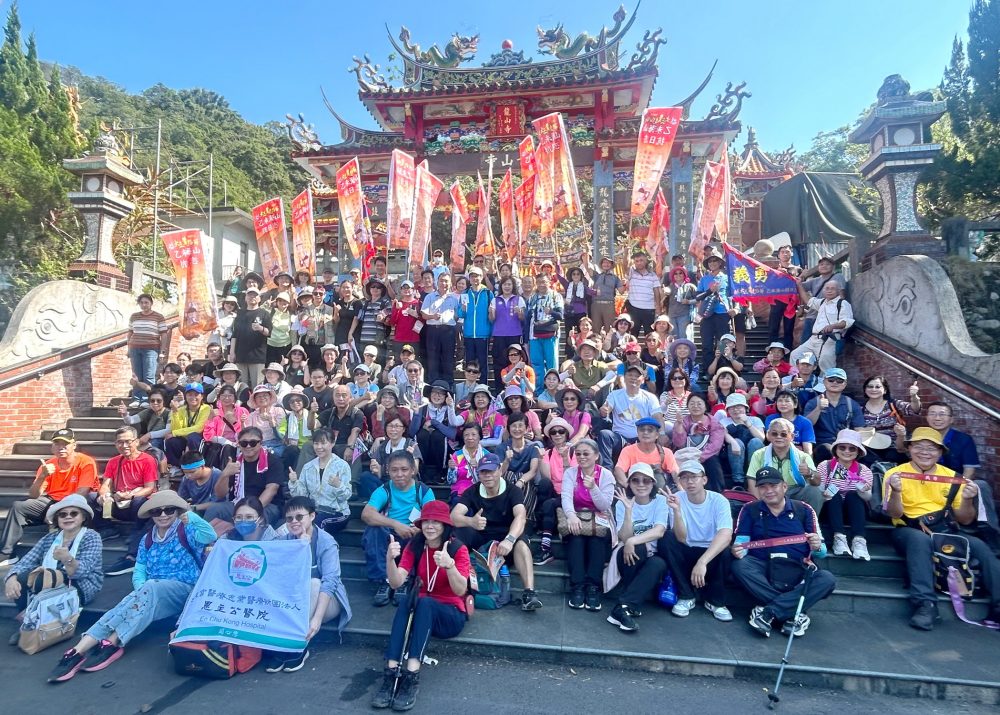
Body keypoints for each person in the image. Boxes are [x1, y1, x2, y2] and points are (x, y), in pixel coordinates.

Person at [46, 491, 217, 683]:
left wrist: (190, 516)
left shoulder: (187, 530)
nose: (163, 515)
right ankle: (78, 650)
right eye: (157, 511)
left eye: (169, 510)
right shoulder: (148, 539)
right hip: (152, 593)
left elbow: (210, 535)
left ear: (177, 511)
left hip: (184, 590)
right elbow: (140, 569)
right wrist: (140, 591)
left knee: (150, 588)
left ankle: (113, 641)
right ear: (151, 514)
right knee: (137, 596)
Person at [883, 427, 1000, 630]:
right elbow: (894, 513)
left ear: (940, 452)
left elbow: (965, 520)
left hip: (944, 529)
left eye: (931, 448)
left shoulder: (953, 476)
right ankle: (925, 604)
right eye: (918, 446)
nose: (925, 452)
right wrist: (895, 492)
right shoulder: (894, 474)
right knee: (919, 541)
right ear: (909, 449)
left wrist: (967, 499)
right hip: (908, 528)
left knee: (981, 547)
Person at [372, 500, 471, 712]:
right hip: (421, 614)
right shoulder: (416, 545)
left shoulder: (457, 548)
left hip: (450, 615)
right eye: (426, 521)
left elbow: (460, 590)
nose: (430, 526)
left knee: (425, 602)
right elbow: (396, 582)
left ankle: (411, 675)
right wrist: (390, 560)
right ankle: (391, 672)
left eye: (436, 522)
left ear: (445, 525)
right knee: (408, 600)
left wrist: (450, 566)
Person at [730, 467, 835, 638]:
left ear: (784, 487)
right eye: (763, 487)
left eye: (773, 485)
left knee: (827, 579)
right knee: (740, 566)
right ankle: (794, 612)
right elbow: (741, 545)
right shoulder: (750, 509)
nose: (768, 491)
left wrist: (817, 546)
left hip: (797, 567)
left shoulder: (804, 509)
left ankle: (769, 612)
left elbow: (821, 552)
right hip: (764, 567)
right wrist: (737, 550)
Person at [266, 497, 351, 673]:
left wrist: (317, 620)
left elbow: (330, 582)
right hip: (295, 603)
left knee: (313, 584)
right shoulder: (284, 541)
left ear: (312, 516)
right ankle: (284, 644)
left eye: (299, 517)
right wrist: (299, 548)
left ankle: (297, 646)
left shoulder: (326, 542)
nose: (294, 522)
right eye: (289, 518)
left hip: (325, 602)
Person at [4, 495, 103, 645]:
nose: (68, 517)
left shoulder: (91, 537)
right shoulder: (50, 538)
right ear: (58, 519)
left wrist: (67, 559)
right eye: (63, 514)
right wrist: (11, 578)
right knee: (22, 578)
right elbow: (25, 562)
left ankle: (36, 625)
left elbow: (82, 571)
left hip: (81, 584)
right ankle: (28, 624)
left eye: (74, 513)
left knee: (43, 579)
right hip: (48, 580)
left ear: (83, 517)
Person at [452, 453, 543, 612]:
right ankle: (455, 584)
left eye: (491, 471)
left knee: (522, 542)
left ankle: (529, 593)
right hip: (482, 540)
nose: (487, 475)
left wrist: (510, 539)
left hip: (506, 541)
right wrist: (471, 521)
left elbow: (521, 517)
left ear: (500, 470)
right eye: (483, 472)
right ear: (479, 474)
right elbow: (454, 516)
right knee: (459, 532)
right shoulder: (473, 491)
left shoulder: (513, 490)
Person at [0, 429, 99, 567]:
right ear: (52, 447)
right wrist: (42, 477)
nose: (61, 447)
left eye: (65, 444)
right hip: (52, 501)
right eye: (57, 444)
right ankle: (7, 553)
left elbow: (82, 492)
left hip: (78, 501)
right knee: (19, 506)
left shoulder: (85, 462)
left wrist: (59, 507)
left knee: (78, 504)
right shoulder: (48, 465)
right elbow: (34, 495)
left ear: (74, 445)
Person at [660, 460, 734, 621]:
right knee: (667, 538)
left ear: (704, 480)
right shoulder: (677, 498)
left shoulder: (719, 500)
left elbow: (726, 534)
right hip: (687, 549)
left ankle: (715, 601)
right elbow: (681, 537)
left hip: (710, 553)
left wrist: (702, 562)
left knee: (725, 549)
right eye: (684, 478)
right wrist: (677, 511)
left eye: (694, 477)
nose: (689, 482)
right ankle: (686, 595)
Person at [361, 451, 435, 607]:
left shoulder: (423, 491)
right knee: (373, 530)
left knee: (426, 535)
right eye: (394, 470)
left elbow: (433, 518)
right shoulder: (385, 489)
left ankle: (405, 580)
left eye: (404, 469)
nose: (399, 474)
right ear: (388, 471)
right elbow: (367, 514)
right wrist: (396, 524)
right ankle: (384, 580)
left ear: (413, 470)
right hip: (390, 535)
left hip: (413, 533)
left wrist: (420, 528)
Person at [605, 463, 671, 632]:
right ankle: (628, 604)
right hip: (628, 554)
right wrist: (628, 511)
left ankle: (623, 606)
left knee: (659, 564)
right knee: (638, 547)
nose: (641, 484)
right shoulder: (622, 503)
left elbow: (660, 530)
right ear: (629, 483)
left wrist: (632, 541)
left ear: (653, 483)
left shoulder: (660, 501)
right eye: (636, 480)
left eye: (646, 481)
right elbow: (624, 537)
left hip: (650, 554)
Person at [92, 426, 158, 576]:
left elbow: (149, 488)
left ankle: (136, 534)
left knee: (139, 500)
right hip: (119, 502)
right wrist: (104, 495)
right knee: (91, 497)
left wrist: (130, 496)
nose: (124, 445)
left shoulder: (147, 460)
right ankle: (107, 528)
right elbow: (105, 484)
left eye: (128, 441)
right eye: (120, 442)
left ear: (136, 442)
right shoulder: (114, 461)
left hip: (138, 505)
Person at [558, 439, 614, 611]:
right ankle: (577, 586)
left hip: (599, 518)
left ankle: (593, 587)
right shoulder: (571, 473)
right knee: (576, 539)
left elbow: (605, 505)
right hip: (577, 516)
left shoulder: (606, 475)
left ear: (596, 456)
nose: (581, 457)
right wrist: (571, 516)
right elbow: (566, 497)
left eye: (586, 454)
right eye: (578, 454)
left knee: (596, 541)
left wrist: (593, 488)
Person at [206, 427, 286, 525]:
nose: (248, 446)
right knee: (214, 509)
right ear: (239, 444)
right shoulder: (235, 462)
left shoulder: (273, 461)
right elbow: (220, 494)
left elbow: (271, 489)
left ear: (260, 443)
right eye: (244, 443)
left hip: (266, 505)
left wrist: (251, 510)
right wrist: (225, 474)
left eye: (253, 443)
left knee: (254, 518)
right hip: (239, 503)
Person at [816, 429, 873, 560]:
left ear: (858, 452)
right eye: (842, 447)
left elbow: (868, 497)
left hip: (854, 511)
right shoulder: (825, 466)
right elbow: (818, 491)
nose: (847, 451)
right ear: (836, 449)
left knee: (853, 496)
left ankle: (859, 540)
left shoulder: (864, 470)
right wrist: (824, 494)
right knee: (834, 495)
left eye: (852, 448)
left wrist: (863, 490)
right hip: (829, 509)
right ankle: (839, 538)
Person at [746, 418, 822, 513]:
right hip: (769, 490)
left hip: (795, 492)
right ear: (768, 435)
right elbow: (752, 481)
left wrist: (809, 472)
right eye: (774, 434)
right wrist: (759, 507)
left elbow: (817, 482)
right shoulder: (758, 455)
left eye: (783, 434)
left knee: (814, 491)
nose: (779, 437)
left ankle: (810, 521)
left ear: (792, 436)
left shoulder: (803, 456)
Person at [598, 365, 663, 470]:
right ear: (624, 378)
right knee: (605, 435)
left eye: (637, 376)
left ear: (643, 380)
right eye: (630, 375)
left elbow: (657, 416)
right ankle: (607, 471)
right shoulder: (615, 395)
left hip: (642, 437)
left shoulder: (650, 397)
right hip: (620, 437)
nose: (633, 378)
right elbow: (607, 407)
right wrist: (604, 411)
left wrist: (662, 433)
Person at [289, 428, 352, 535]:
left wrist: (338, 485)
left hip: (337, 512)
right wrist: (294, 482)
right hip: (315, 511)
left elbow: (346, 496)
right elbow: (301, 496)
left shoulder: (342, 466)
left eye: (323, 443)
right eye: (316, 443)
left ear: (332, 443)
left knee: (318, 524)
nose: (319, 447)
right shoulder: (308, 467)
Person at [790, 279, 854, 374]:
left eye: (832, 288)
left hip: (830, 339)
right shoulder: (822, 302)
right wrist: (799, 285)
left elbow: (847, 321)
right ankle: (796, 379)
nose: (829, 290)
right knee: (795, 355)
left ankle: (828, 382)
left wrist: (833, 326)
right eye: (827, 288)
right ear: (823, 290)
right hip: (813, 339)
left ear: (838, 291)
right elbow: (808, 301)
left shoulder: (843, 303)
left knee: (825, 361)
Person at [804, 368, 864, 461]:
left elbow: (859, 429)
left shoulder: (852, 404)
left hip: (845, 444)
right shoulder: (813, 403)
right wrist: (818, 408)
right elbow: (806, 425)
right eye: (831, 380)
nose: (835, 383)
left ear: (845, 384)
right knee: (826, 449)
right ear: (824, 381)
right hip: (822, 444)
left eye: (839, 381)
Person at [410, 381, 462, 486]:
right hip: (425, 449)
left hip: (444, 450)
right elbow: (412, 433)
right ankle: (421, 471)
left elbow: (452, 434)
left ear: (446, 396)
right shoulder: (422, 409)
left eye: (441, 393)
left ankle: (441, 472)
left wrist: (434, 423)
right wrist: (416, 414)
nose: (437, 396)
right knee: (422, 434)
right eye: (434, 392)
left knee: (437, 435)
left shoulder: (450, 410)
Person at [671, 393, 726, 492]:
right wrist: (679, 425)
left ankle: (717, 493)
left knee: (712, 462)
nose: (695, 406)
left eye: (699, 404)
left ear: (705, 406)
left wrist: (700, 458)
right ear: (687, 406)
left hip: (706, 456)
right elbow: (679, 444)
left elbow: (715, 445)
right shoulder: (683, 421)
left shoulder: (714, 422)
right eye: (692, 404)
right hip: (686, 455)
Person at [860, 375, 921, 463]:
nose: (873, 389)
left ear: (885, 390)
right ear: (865, 390)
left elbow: (914, 410)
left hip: (894, 448)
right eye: (870, 386)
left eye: (878, 387)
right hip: (871, 449)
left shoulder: (893, 404)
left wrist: (914, 397)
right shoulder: (860, 409)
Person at [127, 293, 170, 408]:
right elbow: (130, 333)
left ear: (151, 303)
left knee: (149, 375)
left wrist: (162, 351)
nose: (144, 305)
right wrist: (128, 348)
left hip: (151, 349)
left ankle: (147, 398)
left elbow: (164, 335)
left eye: (146, 302)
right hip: (135, 347)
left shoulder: (158, 317)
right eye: (141, 303)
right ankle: (136, 398)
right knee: (136, 375)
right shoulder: (134, 316)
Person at [696, 250, 734, 377]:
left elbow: (735, 296)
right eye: (710, 261)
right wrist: (709, 291)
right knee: (706, 343)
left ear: (720, 263)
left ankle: (722, 369)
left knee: (722, 343)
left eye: (715, 261)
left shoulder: (727, 278)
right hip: (706, 314)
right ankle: (708, 371)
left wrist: (736, 309)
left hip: (722, 313)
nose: (712, 263)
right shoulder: (704, 279)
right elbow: (697, 296)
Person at [614, 416, 679, 487]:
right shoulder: (628, 450)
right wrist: (629, 487)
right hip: (635, 489)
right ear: (637, 433)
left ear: (657, 435)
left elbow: (675, 472)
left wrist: (681, 490)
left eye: (650, 430)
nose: (645, 432)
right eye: (642, 430)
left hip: (659, 490)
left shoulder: (666, 452)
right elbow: (619, 470)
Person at [526, 273, 565, 390]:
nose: (541, 285)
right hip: (534, 334)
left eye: (544, 282)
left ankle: (553, 391)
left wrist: (551, 312)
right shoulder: (533, 297)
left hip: (550, 334)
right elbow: (528, 318)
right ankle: (539, 391)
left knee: (551, 364)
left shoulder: (555, 296)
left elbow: (560, 315)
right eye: (539, 282)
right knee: (536, 364)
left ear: (549, 282)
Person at [421, 273, 460, 384]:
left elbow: (457, 315)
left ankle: (448, 385)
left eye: (446, 281)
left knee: (448, 359)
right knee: (433, 359)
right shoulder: (430, 297)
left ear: (450, 283)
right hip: (433, 330)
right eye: (441, 281)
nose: (444, 283)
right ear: (437, 282)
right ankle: (433, 384)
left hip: (449, 331)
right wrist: (432, 316)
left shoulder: (454, 298)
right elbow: (423, 314)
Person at [228, 286, 272, 387]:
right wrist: (232, 352)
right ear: (245, 298)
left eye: (255, 295)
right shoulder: (240, 314)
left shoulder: (264, 314)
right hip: (240, 355)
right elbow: (235, 334)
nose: (252, 297)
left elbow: (269, 332)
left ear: (259, 298)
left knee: (258, 385)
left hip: (257, 356)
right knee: (241, 386)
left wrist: (260, 328)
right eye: (250, 295)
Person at [718, 394, 765, 486]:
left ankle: (755, 477)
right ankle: (738, 481)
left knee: (755, 442)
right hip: (734, 454)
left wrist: (747, 422)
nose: (736, 410)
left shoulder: (755, 420)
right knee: (737, 442)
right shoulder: (724, 421)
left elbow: (761, 438)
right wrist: (734, 442)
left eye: (739, 406)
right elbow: (724, 434)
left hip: (753, 451)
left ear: (745, 408)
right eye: (732, 407)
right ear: (728, 410)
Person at [489, 276, 527, 390]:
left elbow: (523, 318)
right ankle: (499, 390)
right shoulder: (495, 300)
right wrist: (491, 312)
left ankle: (516, 388)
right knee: (499, 363)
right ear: (501, 286)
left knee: (515, 362)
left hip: (514, 335)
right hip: (499, 336)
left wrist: (519, 313)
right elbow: (491, 319)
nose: (507, 287)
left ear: (513, 286)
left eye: (509, 284)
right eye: (505, 284)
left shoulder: (519, 299)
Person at [457, 267, 494, 380]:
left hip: (483, 334)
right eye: (472, 276)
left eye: (477, 276)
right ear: (469, 278)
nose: (475, 278)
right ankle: (470, 385)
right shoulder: (465, 293)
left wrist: (491, 331)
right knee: (470, 363)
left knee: (483, 363)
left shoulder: (488, 293)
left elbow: (492, 315)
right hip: (469, 334)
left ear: (481, 277)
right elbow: (460, 314)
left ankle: (483, 385)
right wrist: (463, 309)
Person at [798, 256, 846, 341]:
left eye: (827, 264)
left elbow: (841, 295)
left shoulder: (838, 276)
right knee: (805, 342)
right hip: (812, 315)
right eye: (821, 264)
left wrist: (839, 312)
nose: (824, 266)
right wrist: (801, 276)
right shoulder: (814, 281)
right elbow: (798, 286)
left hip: (828, 316)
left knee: (824, 342)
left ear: (833, 267)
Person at [767, 245, 802, 350]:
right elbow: (768, 284)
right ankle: (771, 352)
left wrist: (802, 306)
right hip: (776, 301)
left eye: (787, 252)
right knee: (773, 328)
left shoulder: (798, 269)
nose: (785, 254)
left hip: (791, 303)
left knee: (789, 329)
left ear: (792, 253)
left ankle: (788, 352)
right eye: (782, 252)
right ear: (778, 255)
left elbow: (801, 287)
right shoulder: (773, 270)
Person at [349, 278, 393, 362]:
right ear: (369, 289)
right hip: (364, 339)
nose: (375, 288)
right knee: (364, 364)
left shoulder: (385, 302)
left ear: (382, 290)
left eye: (378, 287)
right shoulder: (364, 303)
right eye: (373, 286)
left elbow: (390, 319)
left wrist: (383, 319)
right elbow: (358, 318)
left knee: (378, 364)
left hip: (378, 341)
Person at [766, 390, 816, 456]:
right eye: (780, 401)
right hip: (775, 452)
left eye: (787, 401)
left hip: (798, 455)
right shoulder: (771, 419)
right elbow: (769, 437)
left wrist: (808, 461)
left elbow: (807, 449)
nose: (783, 404)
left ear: (795, 404)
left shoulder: (805, 422)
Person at [624, 250, 661, 334]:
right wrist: (626, 252)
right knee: (633, 333)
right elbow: (625, 266)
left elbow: (656, 291)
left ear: (646, 261)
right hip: (634, 307)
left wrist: (658, 306)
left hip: (649, 308)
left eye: (641, 260)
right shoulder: (631, 272)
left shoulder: (653, 275)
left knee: (649, 333)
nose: (639, 263)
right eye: (636, 261)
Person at [176, 450, 222, 514]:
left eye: (192, 472)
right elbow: (180, 499)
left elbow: (219, 502)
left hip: (215, 513)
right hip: (196, 511)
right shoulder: (186, 479)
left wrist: (194, 508)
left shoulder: (217, 476)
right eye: (185, 473)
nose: (188, 476)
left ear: (202, 466)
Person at [664, 266, 696, 341]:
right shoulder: (669, 287)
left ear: (684, 274)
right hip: (672, 315)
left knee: (683, 336)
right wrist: (664, 293)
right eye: (675, 273)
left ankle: (686, 349)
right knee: (673, 337)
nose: (678, 275)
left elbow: (698, 299)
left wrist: (689, 301)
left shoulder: (690, 286)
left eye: (680, 273)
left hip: (684, 315)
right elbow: (663, 301)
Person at [264, 292, 295, 367]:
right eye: (280, 300)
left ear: (288, 303)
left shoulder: (291, 314)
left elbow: (292, 332)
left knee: (283, 367)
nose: (282, 302)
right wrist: (265, 304)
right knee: (269, 367)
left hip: (285, 345)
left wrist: (293, 347)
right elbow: (260, 313)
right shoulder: (271, 311)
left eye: (285, 301)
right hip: (270, 344)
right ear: (276, 302)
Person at [660, 367, 693, 434]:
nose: (677, 380)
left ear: (686, 380)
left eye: (680, 378)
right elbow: (661, 411)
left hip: (687, 428)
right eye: (674, 378)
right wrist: (666, 403)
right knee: (666, 424)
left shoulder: (691, 396)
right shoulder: (665, 395)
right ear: (670, 381)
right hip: (671, 429)